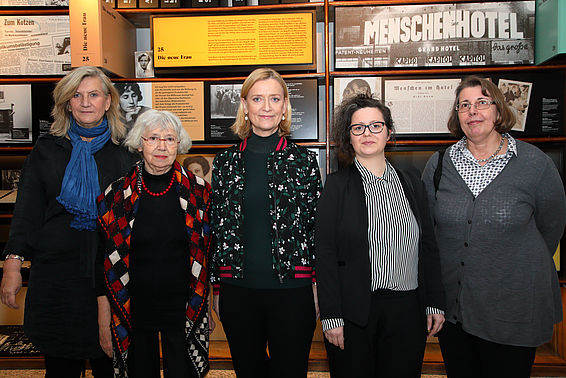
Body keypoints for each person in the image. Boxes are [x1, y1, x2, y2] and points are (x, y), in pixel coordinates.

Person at [422, 76, 566, 378]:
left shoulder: (534, 164)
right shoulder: (439, 165)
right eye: (464, 105)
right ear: (457, 115)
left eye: (482, 103)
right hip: (455, 311)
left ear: (498, 111)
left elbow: (551, 227)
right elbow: (429, 233)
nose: (473, 111)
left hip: (512, 310)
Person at [0, 66, 136, 377]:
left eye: (93, 95)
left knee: (112, 365)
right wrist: (12, 265)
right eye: (77, 95)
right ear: (66, 103)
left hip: (111, 275)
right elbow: (27, 212)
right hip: (57, 276)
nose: (85, 102)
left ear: (107, 102)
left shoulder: (126, 153)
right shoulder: (46, 151)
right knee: (60, 365)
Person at [315, 94, 445, 377]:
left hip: (407, 312)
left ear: (389, 132)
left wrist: (434, 301)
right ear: (349, 137)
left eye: (376, 125)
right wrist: (331, 316)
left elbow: (428, 246)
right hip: (354, 314)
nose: (367, 133)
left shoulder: (411, 182)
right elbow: (324, 255)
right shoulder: (336, 187)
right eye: (358, 127)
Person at [210, 67, 322, 378]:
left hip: (293, 291)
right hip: (237, 291)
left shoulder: (304, 161)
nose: (266, 107)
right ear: (244, 105)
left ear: (285, 105)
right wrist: (217, 288)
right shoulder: (225, 163)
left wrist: (315, 286)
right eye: (257, 98)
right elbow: (219, 231)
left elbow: (315, 231)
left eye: (274, 98)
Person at [97, 109, 212, 377]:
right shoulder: (115, 195)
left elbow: (209, 252)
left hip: (182, 305)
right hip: (134, 305)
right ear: (140, 143)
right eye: (153, 138)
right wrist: (104, 315)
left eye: (170, 139)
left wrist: (205, 303)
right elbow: (102, 259)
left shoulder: (199, 192)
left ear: (178, 145)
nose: (162, 146)